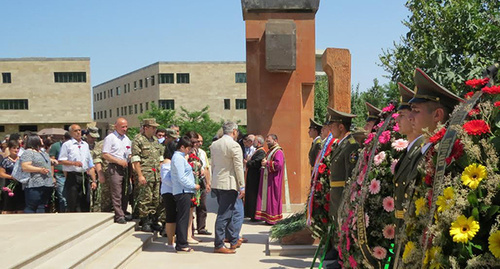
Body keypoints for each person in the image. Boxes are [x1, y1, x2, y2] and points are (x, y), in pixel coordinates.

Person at [393, 69, 463, 266]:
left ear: (437, 115)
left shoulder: (445, 156)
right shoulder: (424, 151)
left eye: (416, 111)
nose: (411, 117)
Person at [326, 107, 359, 267]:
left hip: (342, 195)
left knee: (343, 226)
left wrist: (347, 200)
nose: (330, 128)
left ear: (341, 126)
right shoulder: (341, 144)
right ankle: (338, 254)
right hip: (336, 193)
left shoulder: (351, 146)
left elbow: (350, 177)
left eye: (332, 125)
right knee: (338, 225)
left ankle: (342, 260)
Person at [210, 122, 245, 254]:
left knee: (228, 213)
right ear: (234, 132)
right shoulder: (234, 145)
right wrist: (242, 185)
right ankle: (219, 244)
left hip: (218, 182)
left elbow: (213, 164)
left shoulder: (215, 144)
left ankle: (233, 239)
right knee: (224, 215)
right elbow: (238, 167)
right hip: (229, 183)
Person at [131, 119, 164, 232]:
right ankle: (145, 221)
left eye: (155, 128)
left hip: (156, 175)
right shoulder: (138, 140)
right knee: (145, 199)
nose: (155, 130)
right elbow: (135, 159)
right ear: (146, 128)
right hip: (145, 174)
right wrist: (140, 175)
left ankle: (154, 220)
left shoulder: (155, 140)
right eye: (153, 127)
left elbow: (160, 158)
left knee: (156, 199)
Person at [58, 124, 97, 212]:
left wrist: (94, 180)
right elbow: (61, 160)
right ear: (71, 133)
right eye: (75, 131)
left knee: (85, 201)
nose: (78, 133)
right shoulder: (67, 145)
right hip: (73, 175)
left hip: (84, 176)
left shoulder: (85, 145)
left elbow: (90, 163)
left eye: (79, 130)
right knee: (73, 201)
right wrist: (73, 163)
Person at [171, 136, 200, 253]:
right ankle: (181, 243)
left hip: (185, 190)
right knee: (183, 218)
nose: (189, 151)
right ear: (182, 147)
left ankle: (182, 242)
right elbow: (181, 177)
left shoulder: (181, 157)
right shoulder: (178, 158)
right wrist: (193, 185)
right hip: (183, 191)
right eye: (188, 148)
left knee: (184, 217)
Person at [102, 118, 132, 224]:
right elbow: (105, 154)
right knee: (117, 191)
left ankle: (123, 211)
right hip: (115, 167)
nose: (125, 129)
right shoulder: (110, 138)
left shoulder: (126, 139)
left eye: (126, 126)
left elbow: (128, 151)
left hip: (125, 167)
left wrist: (129, 156)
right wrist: (118, 161)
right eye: (122, 127)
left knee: (125, 190)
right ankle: (118, 214)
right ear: (116, 127)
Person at [255, 134, 286, 225]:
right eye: (267, 141)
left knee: (272, 198)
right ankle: (267, 217)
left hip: (273, 179)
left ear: (275, 140)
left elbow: (278, 165)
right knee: (267, 197)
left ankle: (273, 218)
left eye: (269, 141)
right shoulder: (271, 151)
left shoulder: (278, 151)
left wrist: (267, 163)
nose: (267, 143)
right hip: (267, 178)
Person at [20, 134, 55, 213]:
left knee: (41, 206)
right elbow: (25, 166)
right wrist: (39, 170)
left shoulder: (42, 152)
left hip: (46, 184)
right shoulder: (28, 152)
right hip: (34, 184)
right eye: (40, 139)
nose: (42, 140)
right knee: (32, 206)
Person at [160, 140, 178, 247]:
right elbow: (166, 179)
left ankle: (175, 238)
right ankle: (170, 241)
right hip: (169, 192)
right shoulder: (167, 162)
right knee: (171, 216)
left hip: (176, 191)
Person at [244, 135, 265, 221]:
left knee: (254, 196)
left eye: (255, 141)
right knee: (250, 195)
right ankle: (251, 214)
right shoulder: (257, 151)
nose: (253, 142)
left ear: (259, 142)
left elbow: (257, 163)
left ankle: (255, 215)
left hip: (255, 177)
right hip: (251, 176)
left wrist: (247, 162)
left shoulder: (261, 152)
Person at [0, 140, 24, 213]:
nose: (16, 150)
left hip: (21, 185)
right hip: (9, 187)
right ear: (9, 149)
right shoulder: (5, 161)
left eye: (18, 148)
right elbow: (1, 173)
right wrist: (12, 177)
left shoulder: (21, 160)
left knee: (21, 208)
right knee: (9, 208)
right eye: (14, 148)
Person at [49, 132, 71, 212]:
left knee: (70, 197)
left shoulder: (72, 146)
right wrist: (52, 176)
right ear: (64, 139)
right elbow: (52, 162)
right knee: (63, 197)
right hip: (59, 174)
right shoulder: (56, 146)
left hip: (70, 174)